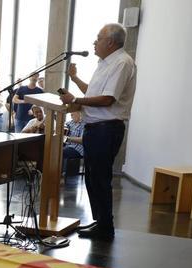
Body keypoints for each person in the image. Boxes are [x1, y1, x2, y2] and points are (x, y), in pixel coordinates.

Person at [59, 23, 136, 241]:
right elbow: (93, 93)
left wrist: (74, 100)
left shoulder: (121, 63)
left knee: (100, 178)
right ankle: (100, 221)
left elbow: (107, 99)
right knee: (92, 178)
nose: (94, 42)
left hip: (106, 129)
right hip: (95, 128)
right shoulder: (104, 64)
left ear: (110, 42)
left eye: (98, 38)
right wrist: (74, 79)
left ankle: (105, 227)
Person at [62, 111, 85, 175]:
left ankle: (61, 175)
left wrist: (67, 138)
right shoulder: (70, 123)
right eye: (71, 113)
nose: (71, 114)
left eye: (73, 113)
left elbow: (83, 140)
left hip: (79, 148)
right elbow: (62, 128)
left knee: (61, 152)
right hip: (68, 146)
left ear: (79, 113)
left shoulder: (84, 124)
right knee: (53, 149)